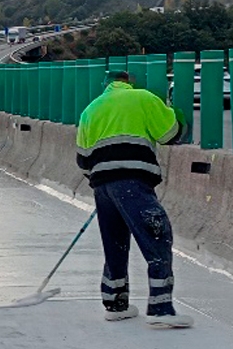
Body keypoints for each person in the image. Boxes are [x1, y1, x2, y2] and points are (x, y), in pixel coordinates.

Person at [75, 71, 192, 329]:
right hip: (133, 181)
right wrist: (180, 118)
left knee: (115, 243)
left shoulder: (90, 111)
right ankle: (161, 309)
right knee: (157, 235)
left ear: (106, 86)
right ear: (128, 83)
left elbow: (83, 160)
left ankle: (116, 304)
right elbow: (169, 133)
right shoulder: (143, 98)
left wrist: (105, 180)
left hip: (103, 186)